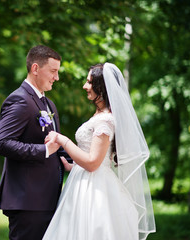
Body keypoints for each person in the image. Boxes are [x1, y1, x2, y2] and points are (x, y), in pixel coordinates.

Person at [43, 63, 156, 240]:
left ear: (101, 88)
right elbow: (95, 160)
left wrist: (62, 139)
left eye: (89, 82)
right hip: (84, 182)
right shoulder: (99, 116)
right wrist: (73, 167)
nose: (85, 86)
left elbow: (93, 163)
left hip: (95, 191)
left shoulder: (105, 121)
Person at [0, 45, 68, 240]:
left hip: (48, 198)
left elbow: (55, 145)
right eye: (53, 71)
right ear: (35, 68)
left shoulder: (48, 104)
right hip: (28, 201)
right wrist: (43, 150)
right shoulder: (19, 100)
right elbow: (2, 143)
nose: (56, 77)